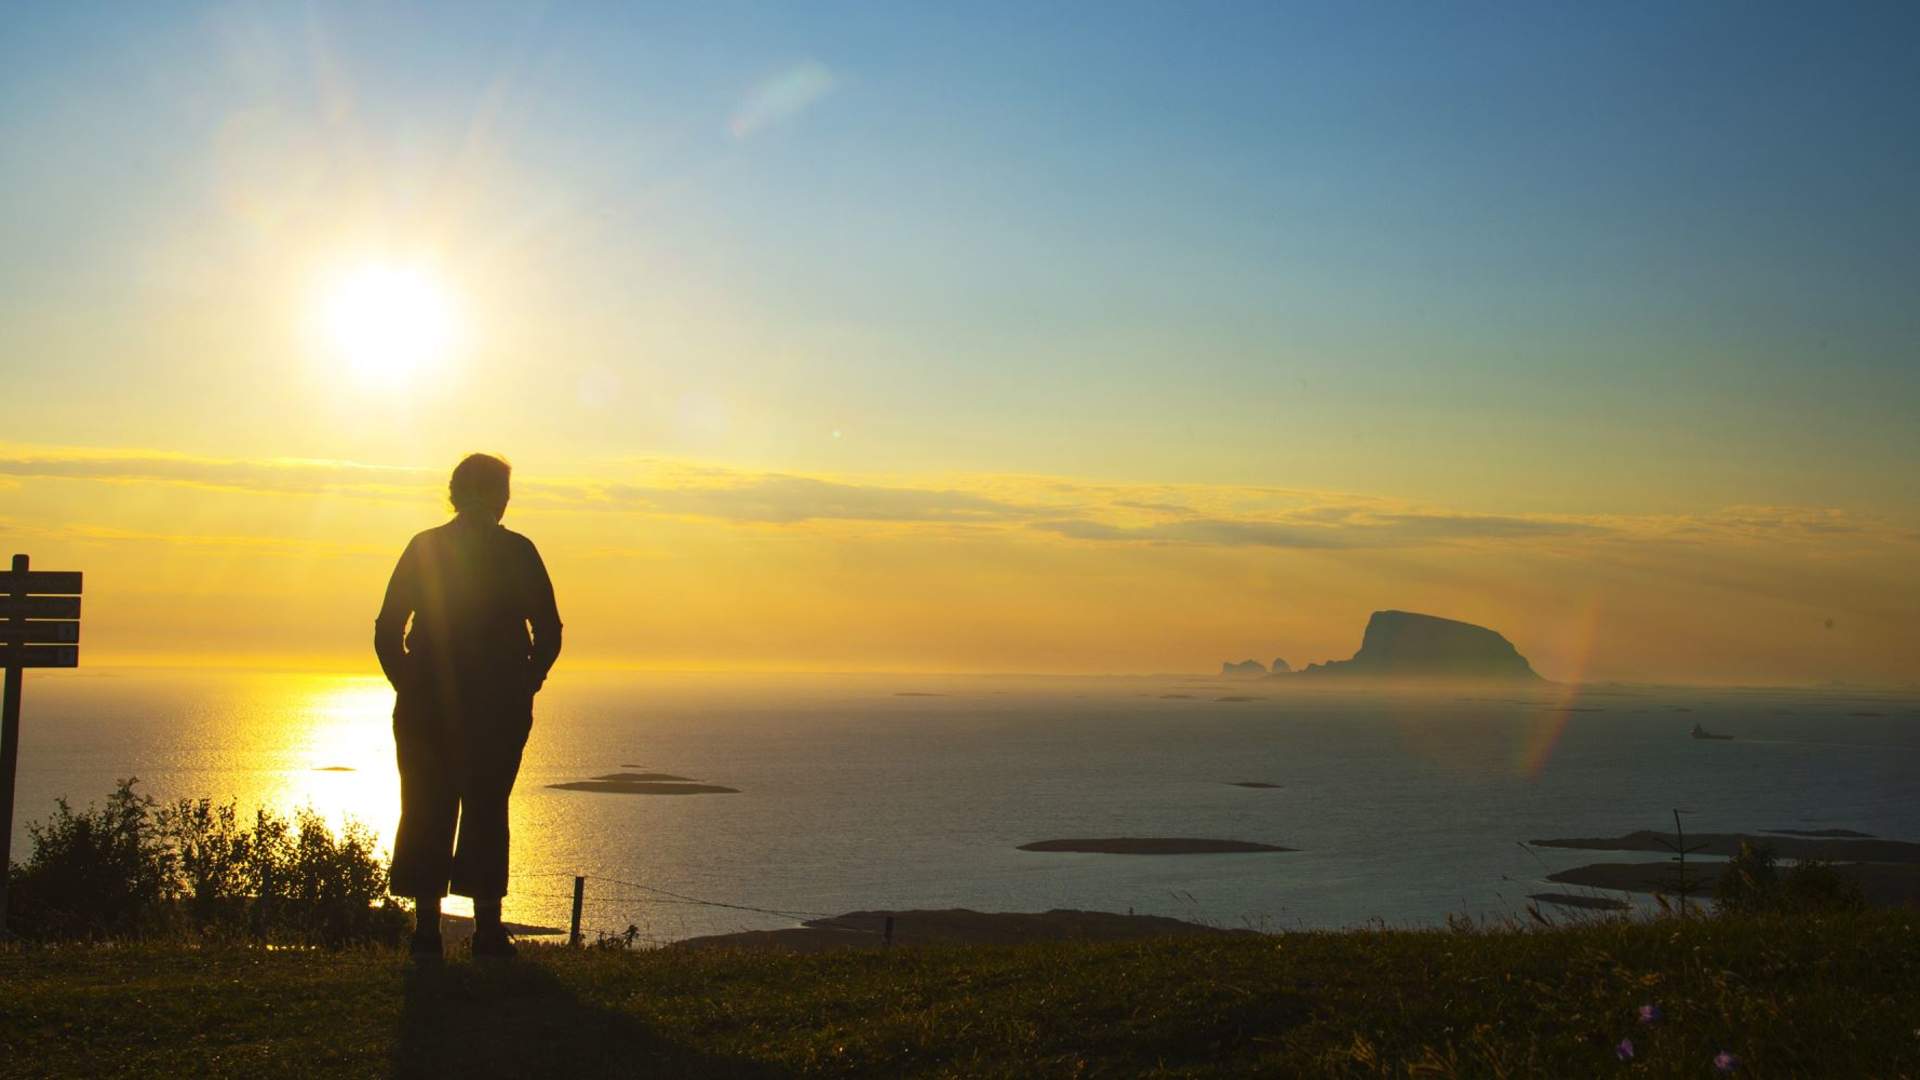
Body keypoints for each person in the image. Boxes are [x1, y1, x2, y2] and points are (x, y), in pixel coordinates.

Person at [375, 453, 562, 959]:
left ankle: (428, 933)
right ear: (495, 496)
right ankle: (484, 931)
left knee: (427, 808)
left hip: (432, 706)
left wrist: (409, 684)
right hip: (492, 708)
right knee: (484, 810)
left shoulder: (426, 547)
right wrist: (525, 683)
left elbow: (388, 629)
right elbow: (548, 631)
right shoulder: (517, 551)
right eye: (502, 493)